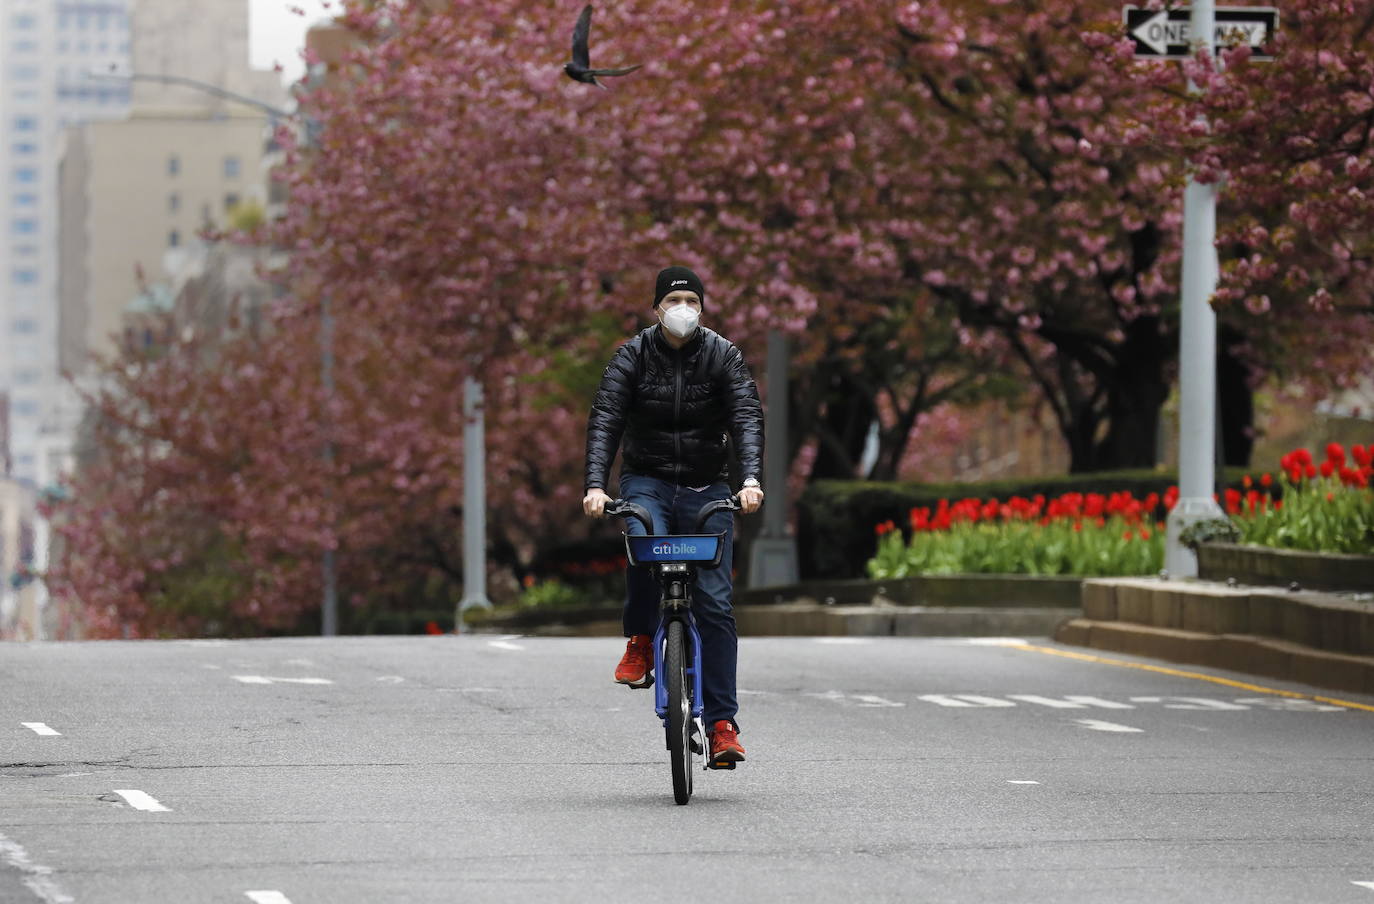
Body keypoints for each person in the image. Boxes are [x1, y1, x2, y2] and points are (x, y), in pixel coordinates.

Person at [583, 265, 764, 766]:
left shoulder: (723, 355)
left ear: (702, 307)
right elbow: (606, 420)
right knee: (643, 542)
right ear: (657, 307)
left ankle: (723, 723)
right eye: (674, 299)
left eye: (691, 299)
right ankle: (641, 640)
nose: (683, 308)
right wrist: (596, 486)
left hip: (709, 486)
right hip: (649, 480)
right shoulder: (632, 356)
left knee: (715, 606)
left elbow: (746, 416)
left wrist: (750, 481)